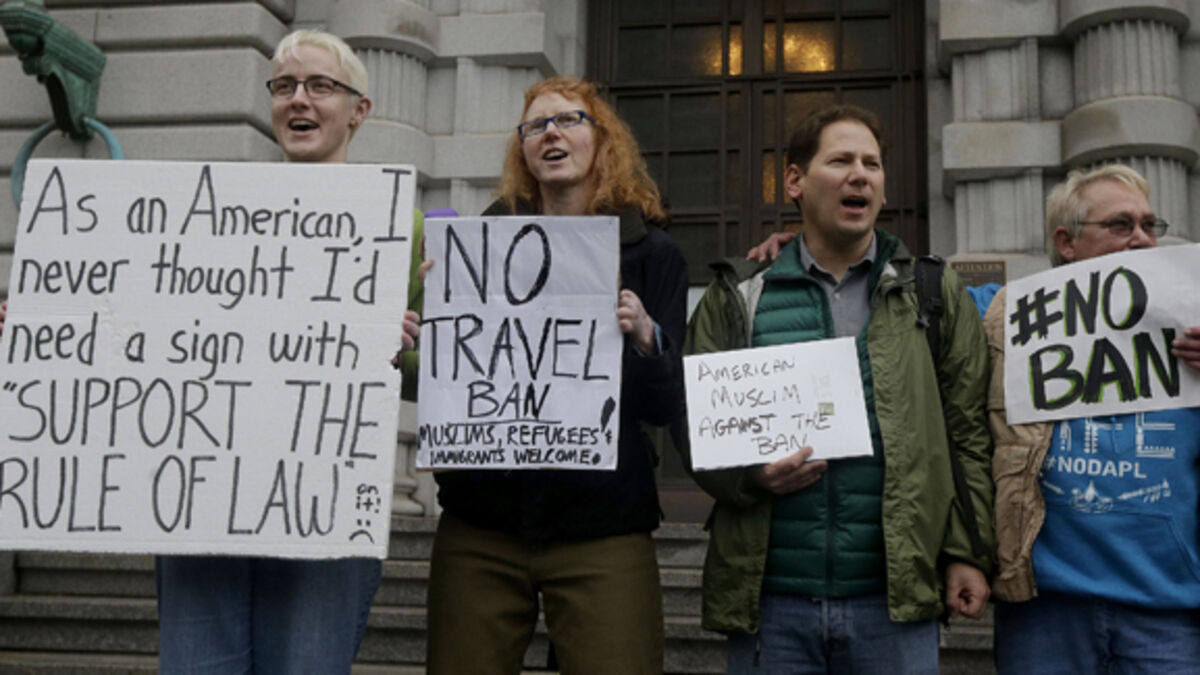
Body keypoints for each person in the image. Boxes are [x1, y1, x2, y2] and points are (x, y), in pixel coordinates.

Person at [683, 103, 994, 673]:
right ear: (795, 181)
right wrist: (751, 477)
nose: (860, 176)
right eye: (841, 161)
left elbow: (968, 433)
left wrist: (966, 551)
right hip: (771, 601)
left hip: (893, 602)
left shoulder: (932, 292)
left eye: (872, 164)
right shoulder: (738, 295)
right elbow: (693, 428)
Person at [153, 29, 422, 673]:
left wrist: (400, 349)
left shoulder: (399, 225)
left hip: (323, 498)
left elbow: (422, 378)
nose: (299, 99)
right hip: (205, 493)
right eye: (285, 86)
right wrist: (50, 324)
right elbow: (149, 331)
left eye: (321, 85)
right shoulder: (209, 212)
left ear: (358, 110)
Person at [419, 75, 688, 674]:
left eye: (568, 120)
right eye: (536, 125)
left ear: (602, 140)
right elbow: (448, 377)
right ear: (524, 150)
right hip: (482, 522)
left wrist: (647, 340)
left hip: (603, 526)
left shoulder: (654, 255)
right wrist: (427, 332)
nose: (551, 133)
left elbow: (665, 405)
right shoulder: (476, 250)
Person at [987, 164, 1200, 673]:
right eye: (1121, 225)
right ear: (1067, 242)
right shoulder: (1007, 319)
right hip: (1044, 609)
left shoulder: (1192, 320)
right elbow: (918, 314)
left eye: (1149, 225)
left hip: (1166, 610)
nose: (1142, 239)